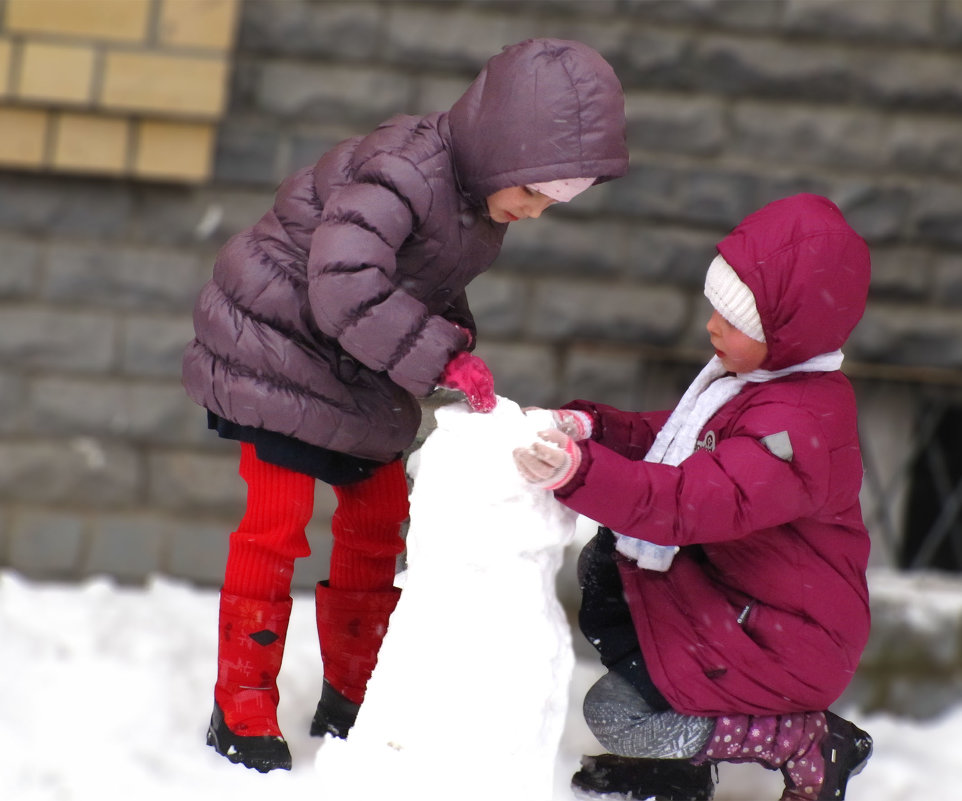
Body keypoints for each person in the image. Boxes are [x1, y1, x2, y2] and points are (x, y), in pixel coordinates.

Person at [181, 38, 628, 773]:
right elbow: (344, 280)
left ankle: (353, 687)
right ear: (503, 153)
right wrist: (439, 354)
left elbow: (422, 282)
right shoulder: (402, 169)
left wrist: (451, 345)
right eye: (536, 194)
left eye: (552, 204)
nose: (537, 213)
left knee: (378, 520)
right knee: (276, 523)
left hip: (356, 365)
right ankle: (243, 700)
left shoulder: (481, 207)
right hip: (276, 345)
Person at [513, 193, 874, 801]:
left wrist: (580, 473)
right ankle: (675, 770)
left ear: (787, 333)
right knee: (609, 563)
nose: (712, 325)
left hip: (786, 638)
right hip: (737, 602)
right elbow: (676, 439)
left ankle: (806, 741)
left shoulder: (796, 428)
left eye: (734, 321)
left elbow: (690, 501)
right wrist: (595, 430)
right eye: (715, 307)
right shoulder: (759, 384)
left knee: (618, 717)